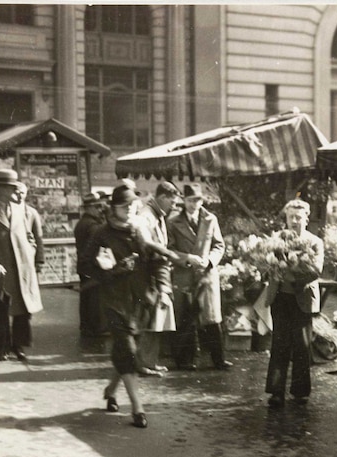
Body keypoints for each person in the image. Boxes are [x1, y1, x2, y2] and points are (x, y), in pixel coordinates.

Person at [84, 182, 151, 428]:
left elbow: (153, 260)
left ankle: (111, 390)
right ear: (113, 209)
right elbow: (85, 267)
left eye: (133, 204)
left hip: (139, 300)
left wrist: (161, 287)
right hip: (113, 300)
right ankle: (137, 407)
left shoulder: (139, 230)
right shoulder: (102, 233)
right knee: (128, 349)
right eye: (125, 206)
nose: (131, 209)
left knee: (126, 351)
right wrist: (114, 271)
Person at [264, 198, 324, 407]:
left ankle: (300, 392)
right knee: (279, 343)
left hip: (302, 298)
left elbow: (316, 270)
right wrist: (272, 265)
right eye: (291, 217)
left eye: (299, 217)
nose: (295, 221)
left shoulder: (314, 241)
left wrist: (292, 274)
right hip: (280, 297)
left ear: (306, 218)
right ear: (286, 218)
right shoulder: (277, 239)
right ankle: (276, 392)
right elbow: (267, 263)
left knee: (302, 344)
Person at [167, 184, 232, 371]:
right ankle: (185, 360)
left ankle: (218, 359)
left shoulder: (210, 219)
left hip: (206, 275)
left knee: (212, 319)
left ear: (202, 200)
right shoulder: (173, 222)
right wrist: (187, 258)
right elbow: (169, 249)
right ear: (183, 201)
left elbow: (219, 245)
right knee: (186, 318)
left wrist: (210, 261)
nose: (193, 204)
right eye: (189, 200)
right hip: (185, 274)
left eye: (197, 200)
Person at [0, 169, 43, 361]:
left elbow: (29, 235)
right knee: (0, 308)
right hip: (0, 268)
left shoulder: (19, 209)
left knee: (22, 308)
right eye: (11, 187)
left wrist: (31, 250)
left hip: (22, 267)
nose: (15, 191)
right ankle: (3, 348)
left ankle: (19, 346)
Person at [136, 182, 181, 377]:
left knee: (158, 318)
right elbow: (146, 242)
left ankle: (150, 361)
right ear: (162, 198)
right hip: (149, 274)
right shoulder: (146, 215)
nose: (173, 205)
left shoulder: (158, 215)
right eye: (172, 200)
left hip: (158, 273)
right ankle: (142, 363)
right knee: (150, 319)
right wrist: (169, 253)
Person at [74, 190, 108, 337]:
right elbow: (96, 249)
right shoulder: (94, 226)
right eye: (98, 207)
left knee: (85, 296)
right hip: (92, 266)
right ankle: (96, 327)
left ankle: (86, 325)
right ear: (91, 208)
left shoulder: (81, 223)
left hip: (83, 265)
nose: (100, 210)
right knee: (94, 298)